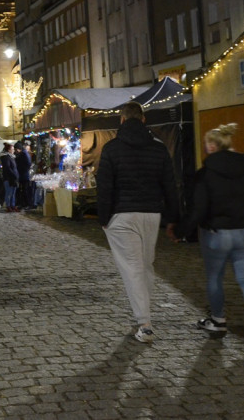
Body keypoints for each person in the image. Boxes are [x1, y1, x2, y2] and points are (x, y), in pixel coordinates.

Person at [170, 123, 244, 345]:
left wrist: (180, 231)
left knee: (215, 277)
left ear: (213, 146)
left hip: (217, 234)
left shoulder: (205, 174)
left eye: (206, 144)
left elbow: (198, 209)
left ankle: (218, 319)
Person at [96, 101, 180, 344]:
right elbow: (169, 186)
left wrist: (103, 217)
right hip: (151, 214)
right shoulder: (159, 148)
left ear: (121, 120)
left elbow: (105, 186)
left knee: (133, 268)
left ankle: (145, 323)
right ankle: (144, 318)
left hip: (122, 215)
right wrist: (173, 218)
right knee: (145, 265)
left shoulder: (112, 149)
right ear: (143, 120)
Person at [0, 142, 19, 211]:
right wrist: (14, 174)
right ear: (9, 150)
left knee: (13, 192)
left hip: (13, 177)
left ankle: (12, 205)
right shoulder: (5, 157)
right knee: (9, 192)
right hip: (8, 178)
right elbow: (8, 168)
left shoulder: (12, 157)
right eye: (12, 149)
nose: (14, 150)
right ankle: (8, 206)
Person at [15, 141, 33, 209]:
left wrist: (22, 171)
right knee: (23, 190)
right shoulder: (24, 154)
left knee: (25, 190)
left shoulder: (23, 154)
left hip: (23, 175)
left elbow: (27, 164)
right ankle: (24, 204)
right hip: (23, 175)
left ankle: (27, 204)